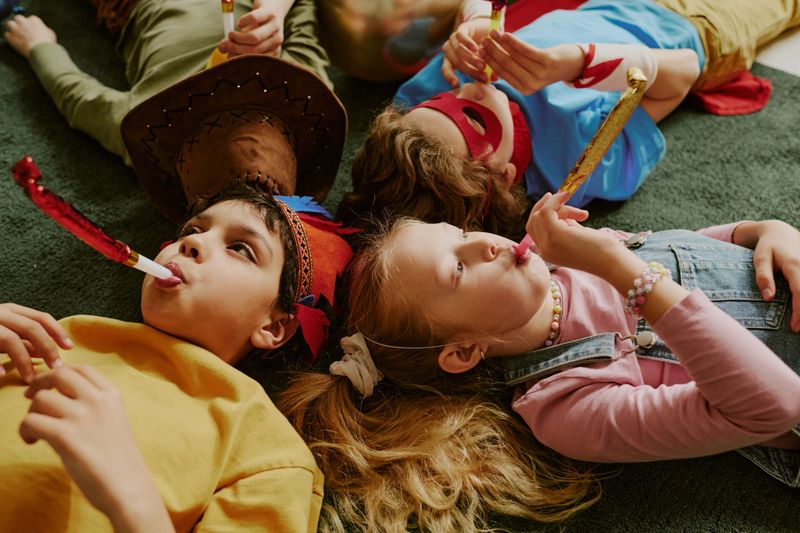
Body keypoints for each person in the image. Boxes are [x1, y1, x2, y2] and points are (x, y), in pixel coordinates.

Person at [280, 191, 800, 531]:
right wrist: (622, 271)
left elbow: (686, 254)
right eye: (457, 270)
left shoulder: (569, 260)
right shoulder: (563, 407)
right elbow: (775, 408)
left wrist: (762, 230)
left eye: (460, 234)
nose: (485, 242)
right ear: (463, 351)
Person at [0, 53, 354, 532]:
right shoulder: (57, 335)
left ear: (274, 325)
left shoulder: (268, 452)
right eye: (193, 228)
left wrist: (132, 497)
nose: (189, 241)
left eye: (242, 249)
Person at [340, 0, 800, 235]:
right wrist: (580, 63)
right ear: (502, 177)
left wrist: (473, 20)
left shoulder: (418, 104)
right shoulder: (579, 160)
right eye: (473, 118)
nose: (467, 85)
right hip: (697, 26)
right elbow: (682, 72)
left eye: (438, 100)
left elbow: (477, 9)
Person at [3, 0, 331, 170]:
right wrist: (273, 12)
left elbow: (79, 100)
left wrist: (40, 47)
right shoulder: (306, 88)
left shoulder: (149, 131)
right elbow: (302, 9)